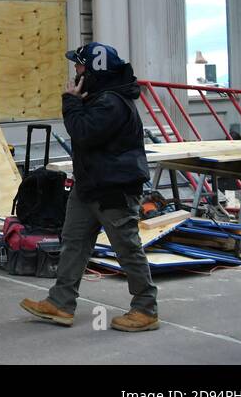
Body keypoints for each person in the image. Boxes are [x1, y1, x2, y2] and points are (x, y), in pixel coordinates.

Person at [20, 43, 158, 332]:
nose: (75, 70)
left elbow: (83, 133)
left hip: (113, 189)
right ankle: (60, 303)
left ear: (95, 70)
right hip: (91, 185)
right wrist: (77, 103)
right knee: (73, 242)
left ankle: (145, 309)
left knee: (127, 248)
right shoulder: (100, 98)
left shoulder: (111, 102)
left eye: (80, 66)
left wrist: (70, 102)